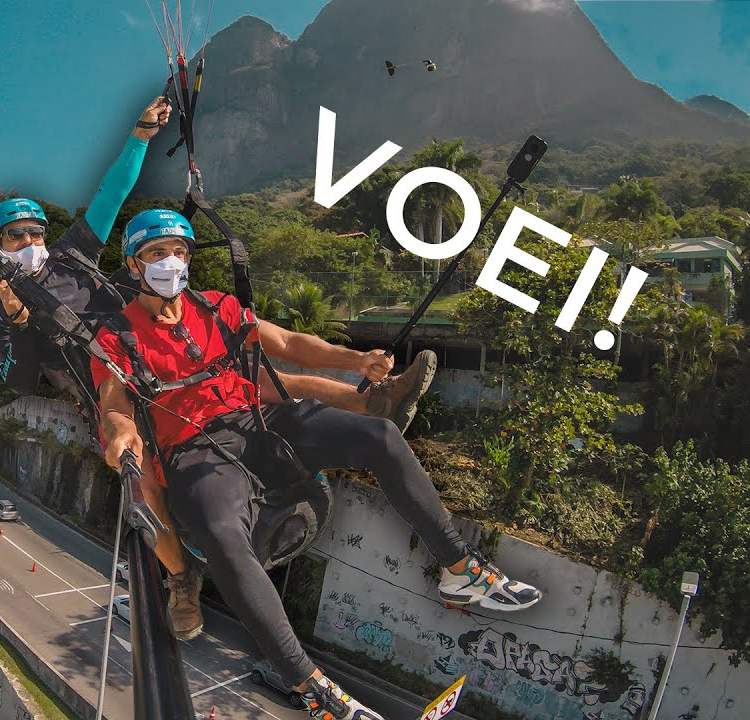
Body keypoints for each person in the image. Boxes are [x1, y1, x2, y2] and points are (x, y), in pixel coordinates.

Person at [0, 97, 437, 643]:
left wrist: (140, 136)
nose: (31, 243)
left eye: (35, 232)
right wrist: (21, 323)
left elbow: (112, 195)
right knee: (147, 488)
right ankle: (181, 579)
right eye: (17, 237)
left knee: (266, 382)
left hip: (156, 343)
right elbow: (17, 379)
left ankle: (374, 404)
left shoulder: (74, 255)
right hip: (120, 390)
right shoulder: (2, 310)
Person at [92, 209, 542, 720]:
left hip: (257, 421)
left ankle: (459, 567)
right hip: (193, 450)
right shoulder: (117, 336)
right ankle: (307, 684)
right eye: (157, 253)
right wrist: (122, 432)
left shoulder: (213, 306)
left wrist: (355, 361)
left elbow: (286, 344)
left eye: (179, 251)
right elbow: (113, 401)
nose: (171, 262)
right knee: (220, 532)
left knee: (379, 435)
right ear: (134, 264)